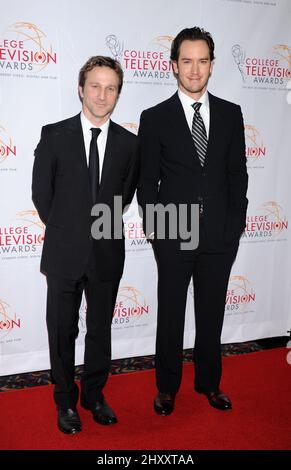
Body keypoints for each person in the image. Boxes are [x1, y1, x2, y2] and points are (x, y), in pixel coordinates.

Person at [137, 27, 248, 415]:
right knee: (170, 313)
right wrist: (157, 230)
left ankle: (209, 383)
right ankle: (166, 387)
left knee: (211, 312)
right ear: (174, 66)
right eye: (187, 61)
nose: (195, 69)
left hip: (219, 233)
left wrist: (235, 226)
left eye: (203, 61)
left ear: (213, 65)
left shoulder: (232, 115)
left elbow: (238, 174)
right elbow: (147, 181)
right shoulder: (154, 118)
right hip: (173, 230)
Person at [32, 56, 139, 433]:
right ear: (81, 89)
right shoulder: (54, 135)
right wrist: (71, 229)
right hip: (64, 252)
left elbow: (123, 196)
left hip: (107, 251)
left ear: (117, 95)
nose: (102, 94)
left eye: (111, 88)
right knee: (61, 331)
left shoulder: (129, 144)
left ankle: (93, 395)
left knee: (99, 329)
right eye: (95, 85)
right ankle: (65, 401)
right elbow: (42, 196)